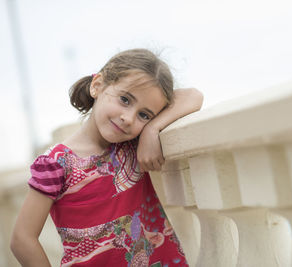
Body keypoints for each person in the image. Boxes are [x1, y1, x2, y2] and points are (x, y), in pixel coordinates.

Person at [10, 48, 203, 266]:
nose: (129, 118)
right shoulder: (56, 163)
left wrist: (152, 129)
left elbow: (193, 95)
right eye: (125, 99)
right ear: (97, 86)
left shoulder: (132, 145)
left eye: (144, 114)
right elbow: (22, 239)